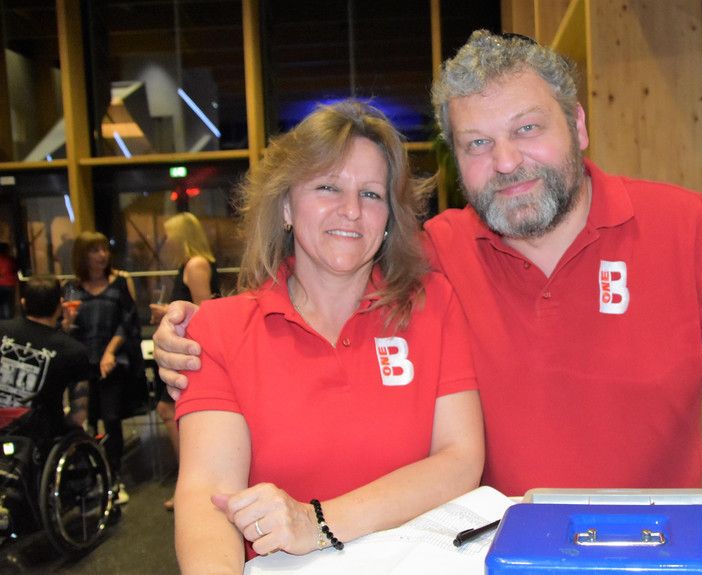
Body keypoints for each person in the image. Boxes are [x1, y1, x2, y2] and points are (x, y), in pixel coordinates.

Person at [155, 30, 702, 573]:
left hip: (658, 548)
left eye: (527, 129)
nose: (508, 162)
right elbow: (322, 272)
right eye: (478, 143)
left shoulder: (686, 226)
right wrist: (195, 329)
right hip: (493, 556)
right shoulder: (433, 253)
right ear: (457, 160)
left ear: (578, 126)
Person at [172, 101, 483, 572]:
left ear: (389, 218)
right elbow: (207, 496)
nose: (352, 210)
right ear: (285, 206)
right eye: (327, 187)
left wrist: (318, 523)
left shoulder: (432, 305)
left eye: (371, 194)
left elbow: (460, 460)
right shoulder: (218, 330)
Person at [63, 231, 141, 506]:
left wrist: (110, 352)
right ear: (82, 256)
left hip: (112, 364)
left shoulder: (118, 284)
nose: (102, 255)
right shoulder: (71, 289)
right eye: (94, 250)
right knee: (83, 421)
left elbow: (128, 321)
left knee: (111, 419)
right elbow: (65, 331)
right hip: (81, 366)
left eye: (104, 249)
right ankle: (89, 477)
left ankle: (113, 478)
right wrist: (67, 322)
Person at [149, 211, 220, 511]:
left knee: (173, 410)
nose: (165, 242)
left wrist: (167, 311)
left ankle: (190, 486)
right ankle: (190, 485)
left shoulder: (196, 265)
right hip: (187, 351)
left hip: (193, 353)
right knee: (169, 410)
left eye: (169, 236)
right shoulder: (189, 265)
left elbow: (206, 311)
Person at [0, 276, 90, 443]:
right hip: (40, 437)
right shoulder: (73, 350)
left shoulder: (2, 329)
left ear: (23, 303)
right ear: (60, 305)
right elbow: (78, 415)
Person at [0, 242, 17, 320]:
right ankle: (8, 319)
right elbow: (15, 269)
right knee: (8, 303)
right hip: (9, 284)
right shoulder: (11, 259)